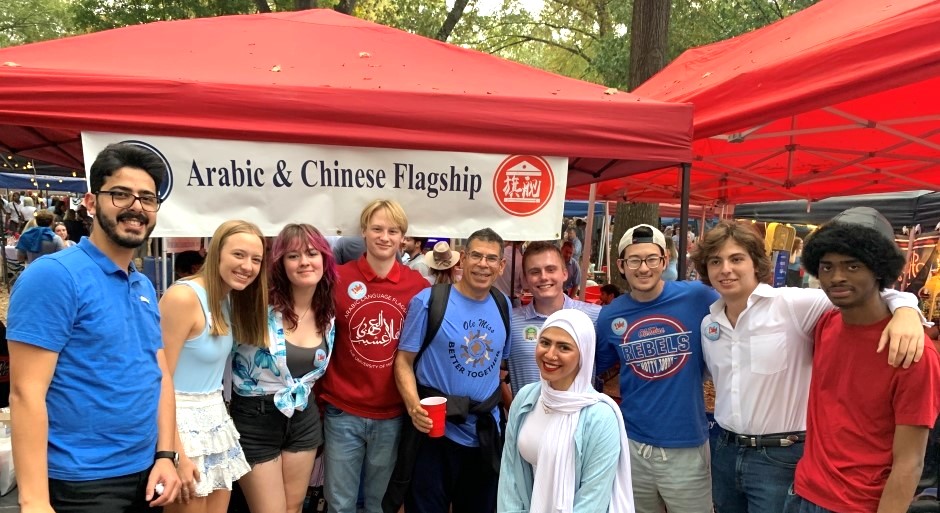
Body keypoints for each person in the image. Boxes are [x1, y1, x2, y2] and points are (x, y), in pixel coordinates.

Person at [689, 220, 926, 513]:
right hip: (724, 449)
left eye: (736, 259)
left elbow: (860, 293)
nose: (725, 269)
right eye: (716, 261)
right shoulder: (709, 325)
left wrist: (905, 309)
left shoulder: (793, 304)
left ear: (755, 263)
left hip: (779, 457)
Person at [7, 142, 181, 512]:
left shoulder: (143, 283)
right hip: (81, 482)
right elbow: (25, 394)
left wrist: (166, 453)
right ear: (90, 202)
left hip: (145, 473)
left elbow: (159, 372)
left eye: (147, 199)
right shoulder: (53, 277)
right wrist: (34, 501)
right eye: (121, 194)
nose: (136, 206)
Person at [786, 208, 940, 513]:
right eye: (827, 267)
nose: (837, 277)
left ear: (878, 269)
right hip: (803, 492)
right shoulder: (825, 325)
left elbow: (910, 462)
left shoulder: (913, 353)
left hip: (858, 505)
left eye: (852, 266)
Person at [595, 223, 716, 513]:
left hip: (687, 445)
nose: (644, 268)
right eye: (634, 260)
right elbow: (596, 369)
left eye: (651, 259)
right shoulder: (611, 315)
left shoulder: (699, 297)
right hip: (633, 445)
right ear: (622, 266)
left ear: (664, 261)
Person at [317, 200, 429, 513]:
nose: (384, 236)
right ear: (364, 232)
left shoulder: (417, 286)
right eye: (377, 228)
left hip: (392, 413)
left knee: (381, 505)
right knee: (340, 504)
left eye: (393, 231)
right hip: (342, 410)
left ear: (402, 237)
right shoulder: (336, 279)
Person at [394, 227, 511, 513]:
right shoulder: (429, 301)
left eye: (491, 259)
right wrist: (413, 407)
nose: (483, 264)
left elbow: (499, 369)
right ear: (462, 260)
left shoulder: (503, 304)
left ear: (501, 266)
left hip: (484, 435)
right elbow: (403, 361)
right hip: (435, 433)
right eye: (476, 255)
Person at [230, 223, 336, 513]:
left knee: (293, 508)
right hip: (255, 418)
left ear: (324, 259)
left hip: (304, 418)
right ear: (281, 264)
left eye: (312, 253)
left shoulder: (328, 312)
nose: (304, 261)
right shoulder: (254, 303)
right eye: (293, 256)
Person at [159, 220, 264, 512]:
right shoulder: (183, 297)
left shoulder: (229, 299)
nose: (248, 266)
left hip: (215, 419)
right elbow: (157, 378)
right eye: (239, 255)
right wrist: (173, 453)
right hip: (179, 424)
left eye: (256, 259)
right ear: (216, 252)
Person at [497, 309, 634, 513]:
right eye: (545, 342)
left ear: (583, 354)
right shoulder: (526, 399)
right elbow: (510, 472)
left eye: (564, 347)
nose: (550, 354)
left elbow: (593, 498)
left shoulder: (601, 417)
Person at [507, 241, 601, 398]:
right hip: (528, 419)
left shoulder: (593, 317)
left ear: (565, 273)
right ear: (525, 279)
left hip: (578, 418)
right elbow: (498, 372)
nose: (543, 277)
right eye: (535, 272)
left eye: (551, 269)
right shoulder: (510, 321)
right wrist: (514, 408)